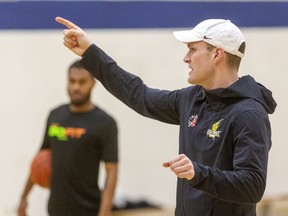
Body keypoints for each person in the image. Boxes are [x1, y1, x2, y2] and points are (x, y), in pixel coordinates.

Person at [55, 17, 277, 216]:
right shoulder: (192, 99)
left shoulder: (249, 114)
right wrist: (90, 52)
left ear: (217, 54)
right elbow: (139, 96)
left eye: (192, 50)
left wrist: (198, 173)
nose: (186, 58)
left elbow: (252, 186)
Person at [17, 60, 119, 216]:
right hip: (55, 210)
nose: (76, 87)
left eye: (82, 82)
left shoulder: (105, 123)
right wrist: (24, 197)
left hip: (88, 210)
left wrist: (104, 213)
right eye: (72, 81)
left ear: (93, 83)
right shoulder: (55, 115)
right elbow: (39, 159)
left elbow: (111, 171)